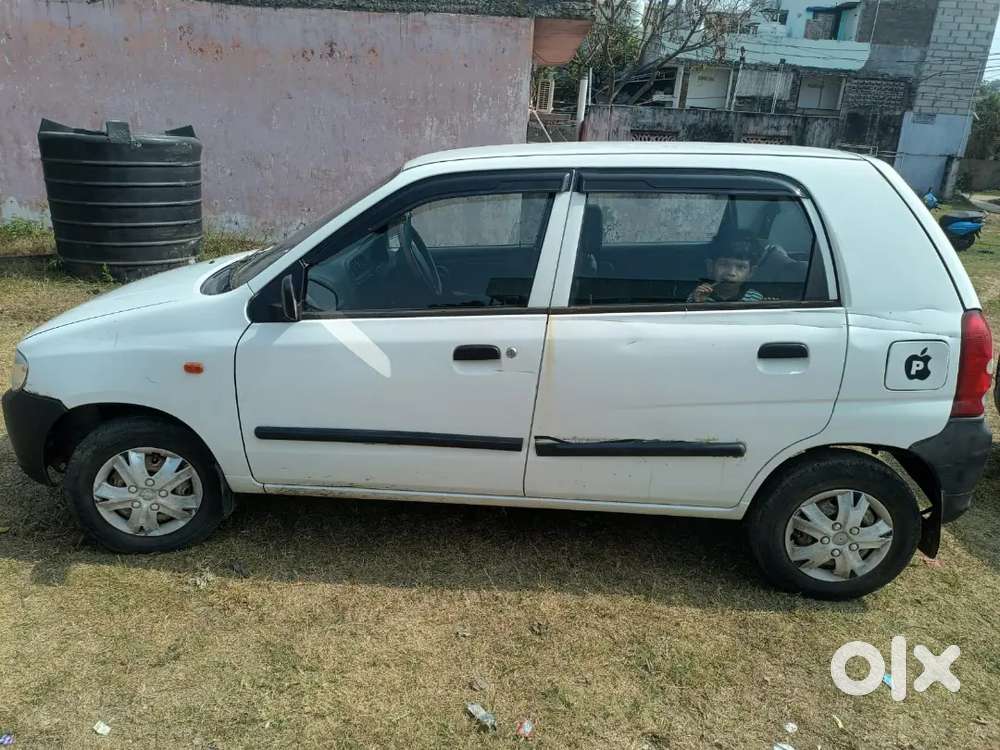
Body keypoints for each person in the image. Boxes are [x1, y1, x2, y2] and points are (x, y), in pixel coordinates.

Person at [687, 233, 764, 303]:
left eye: (741, 267)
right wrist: (699, 303)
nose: (731, 273)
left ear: (751, 272)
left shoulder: (754, 298)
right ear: (710, 266)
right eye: (724, 264)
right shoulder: (699, 295)